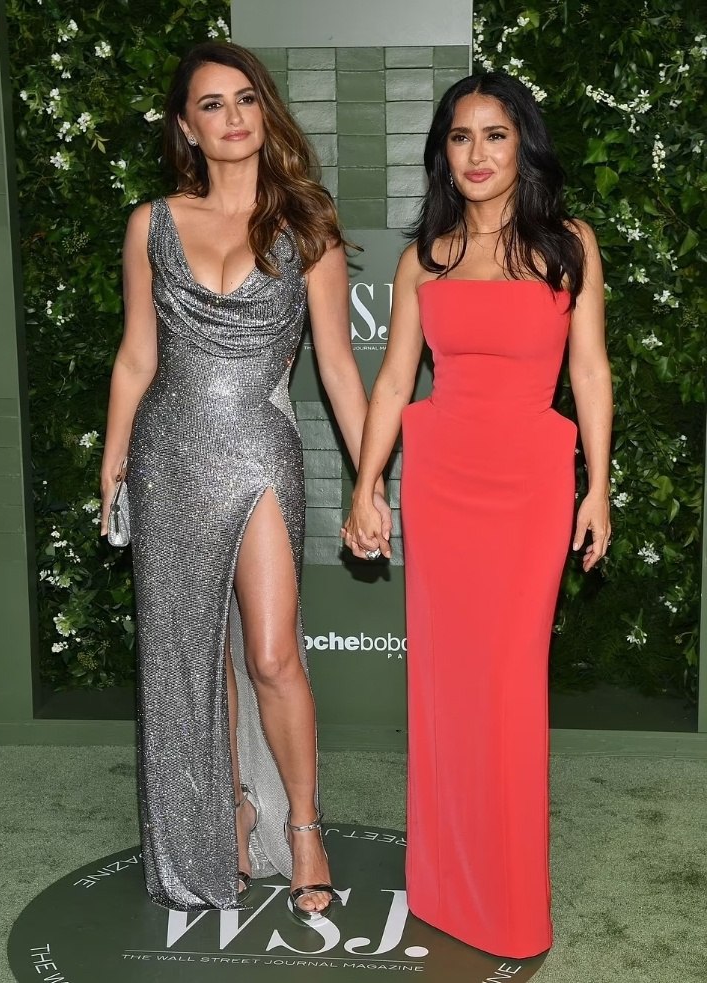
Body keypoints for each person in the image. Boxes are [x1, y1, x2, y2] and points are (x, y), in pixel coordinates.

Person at [100, 41, 388, 919]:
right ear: (186, 127)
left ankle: (303, 827)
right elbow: (138, 354)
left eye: (245, 99)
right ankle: (224, 814)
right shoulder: (152, 224)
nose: (232, 118)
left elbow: (337, 368)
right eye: (211, 105)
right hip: (166, 454)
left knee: (270, 652)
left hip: (260, 449)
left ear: (265, 111)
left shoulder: (307, 226)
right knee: (192, 654)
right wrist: (113, 459)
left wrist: (369, 481)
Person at [342, 73, 612, 957]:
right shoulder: (426, 257)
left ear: (522, 144)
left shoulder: (569, 245)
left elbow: (590, 370)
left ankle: (509, 899)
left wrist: (598, 485)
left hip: (531, 484)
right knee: (448, 689)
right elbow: (394, 380)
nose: (477, 153)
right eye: (460, 137)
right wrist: (367, 483)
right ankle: (447, 884)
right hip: (443, 481)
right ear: (443, 154)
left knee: (509, 686)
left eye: (495, 135)